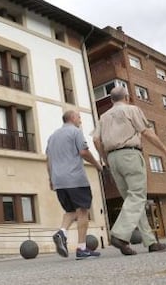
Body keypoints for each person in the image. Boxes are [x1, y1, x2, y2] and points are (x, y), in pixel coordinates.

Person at [93, 86, 166, 256]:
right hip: (130, 155)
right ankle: (120, 235)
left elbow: (95, 139)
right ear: (127, 97)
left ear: (111, 100)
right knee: (137, 197)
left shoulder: (104, 116)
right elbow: (146, 132)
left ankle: (150, 242)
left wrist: (105, 159)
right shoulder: (132, 109)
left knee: (131, 201)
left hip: (113, 159)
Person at [46, 110, 103, 260]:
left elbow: (49, 159)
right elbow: (84, 152)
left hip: (59, 181)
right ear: (72, 118)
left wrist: (51, 179)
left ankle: (62, 232)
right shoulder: (75, 132)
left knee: (71, 211)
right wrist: (98, 165)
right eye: (79, 117)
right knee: (83, 211)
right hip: (75, 178)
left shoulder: (52, 137)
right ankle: (82, 248)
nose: (80, 121)